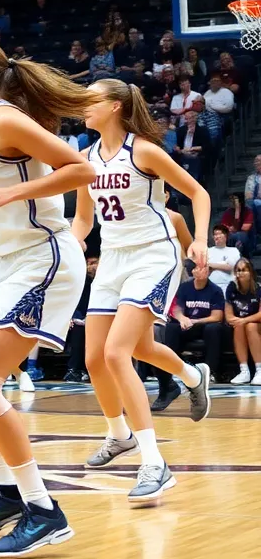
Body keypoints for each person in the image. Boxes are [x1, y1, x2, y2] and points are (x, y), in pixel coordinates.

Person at [0, 37, 96, 557]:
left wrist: (10, 194)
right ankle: (7, 492)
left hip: (43, 257)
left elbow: (81, 170)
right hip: (8, 262)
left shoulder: (3, 118)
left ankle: (45, 509)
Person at [72, 79, 212, 504]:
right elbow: (83, 219)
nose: (84, 108)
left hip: (153, 255)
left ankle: (155, 462)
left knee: (117, 352)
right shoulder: (84, 159)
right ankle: (134, 424)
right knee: (101, 355)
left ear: (115, 106)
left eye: (91, 101)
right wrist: (72, 242)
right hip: (113, 259)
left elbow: (197, 192)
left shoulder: (144, 151)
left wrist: (200, 238)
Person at [226, 259, 261, 385]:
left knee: (250, 326)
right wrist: (238, 321)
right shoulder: (231, 287)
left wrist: (244, 320)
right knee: (239, 326)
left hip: (256, 323)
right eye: (238, 270)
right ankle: (244, 371)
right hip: (240, 324)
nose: (240, 273)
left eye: (244, 270)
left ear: (251, 272)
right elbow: (228, 315)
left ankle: (259, 370)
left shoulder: (258, 287)